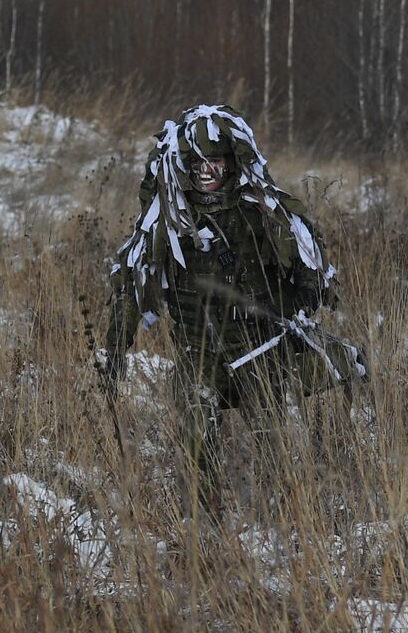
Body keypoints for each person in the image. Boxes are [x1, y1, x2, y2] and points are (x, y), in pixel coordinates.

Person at [100, 104, 366, 516]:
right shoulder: (167, 222)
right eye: (199, 163)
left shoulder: (260, 212)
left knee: (271, 436)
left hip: (259, 348)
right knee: (194, 434)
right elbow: (133, 289)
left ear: (231, 163)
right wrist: (115, 349)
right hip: (197, 352)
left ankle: (281, 520)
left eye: (216, 162)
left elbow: (310, 267)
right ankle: (204, 521)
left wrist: (293, 299)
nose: (208, 172)